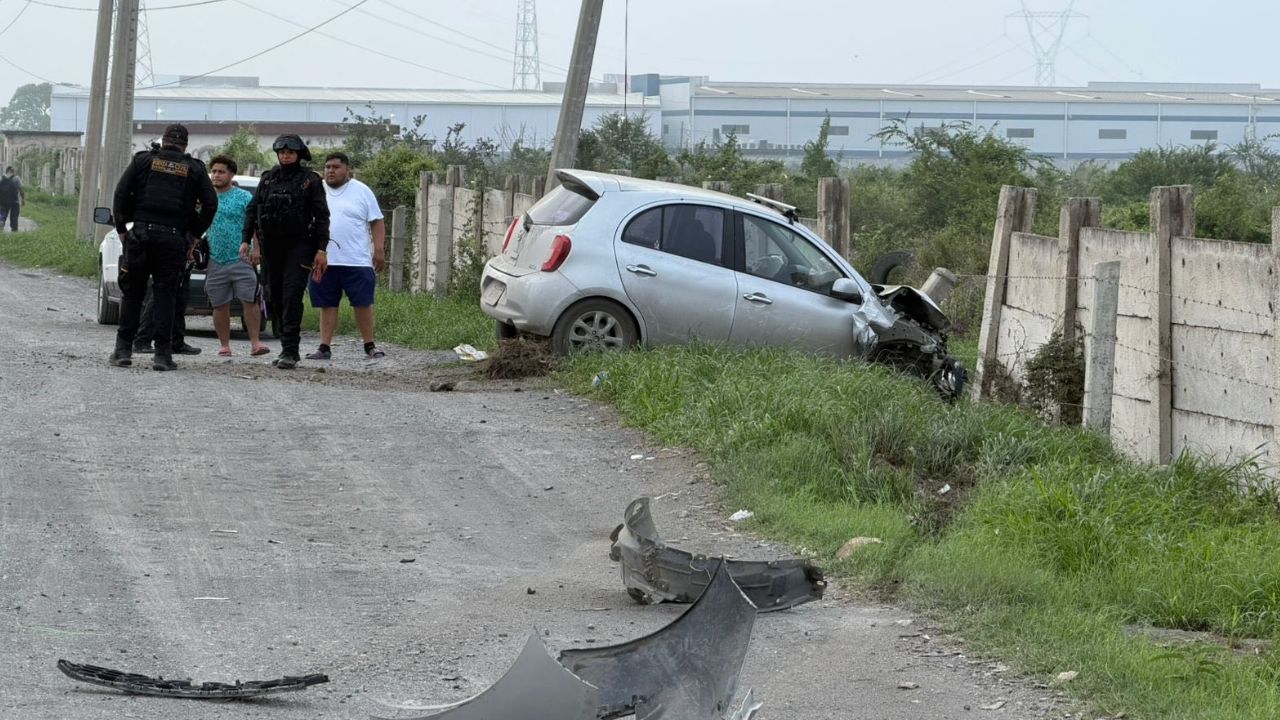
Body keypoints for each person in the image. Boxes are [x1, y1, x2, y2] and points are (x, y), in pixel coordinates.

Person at [108, 123, 217, 371]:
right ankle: (162, 356)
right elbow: (210, 204)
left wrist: (122, 229)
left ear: (164, 141)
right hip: (173, 240)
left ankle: (123, 351)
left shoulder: (143, 161)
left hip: (141, 236)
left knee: (133, 294)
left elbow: (121, 194)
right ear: (185, 145)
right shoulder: (194, 168)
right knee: (165, 296)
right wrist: (194, 236)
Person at [243, 134, 328, 369]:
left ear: (298, 154)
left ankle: (291, 350)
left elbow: (322, 217)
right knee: (274, 298)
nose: (286, 156)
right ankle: (284, 347)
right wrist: (245, 240)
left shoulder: (310, 181)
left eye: (290, 152)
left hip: (300, 246)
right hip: (272, 247)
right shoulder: (268, 179)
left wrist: (321, 249)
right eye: (282, 152)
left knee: (291, 297)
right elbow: (252, 210)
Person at [305, 152, 386, 361]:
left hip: (357, 260)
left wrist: (379, 249)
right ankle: (324, 347)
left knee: (363, 303)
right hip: (324, 260)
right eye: (327, 167)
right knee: (327, 304)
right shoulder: (316, 190)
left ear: (347, 170)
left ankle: (370, 345)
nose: (331, 171)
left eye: (336, 167)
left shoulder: (362, 191)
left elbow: (377, 220)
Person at [203, 155, 269, 357]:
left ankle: (256, 343)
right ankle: (224, 345)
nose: (216, 175)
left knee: (249, 301)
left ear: (231, 174)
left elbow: (254, 225)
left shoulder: (243, 197)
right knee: (219, 304)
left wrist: (257, 249)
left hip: (242, 258)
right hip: (216, 258)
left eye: (221, 172)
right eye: (214, 171)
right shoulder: (206, 197)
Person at [0, 166, 25, 232]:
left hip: (3, 201)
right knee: (14, 217)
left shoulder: (1, 178)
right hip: (14, 201)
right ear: (13, 172)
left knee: (3, 214)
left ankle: (1, 221)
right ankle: (14, 230)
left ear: (6, 171)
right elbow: (21, 190)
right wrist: (23, 199)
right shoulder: (16, 178)